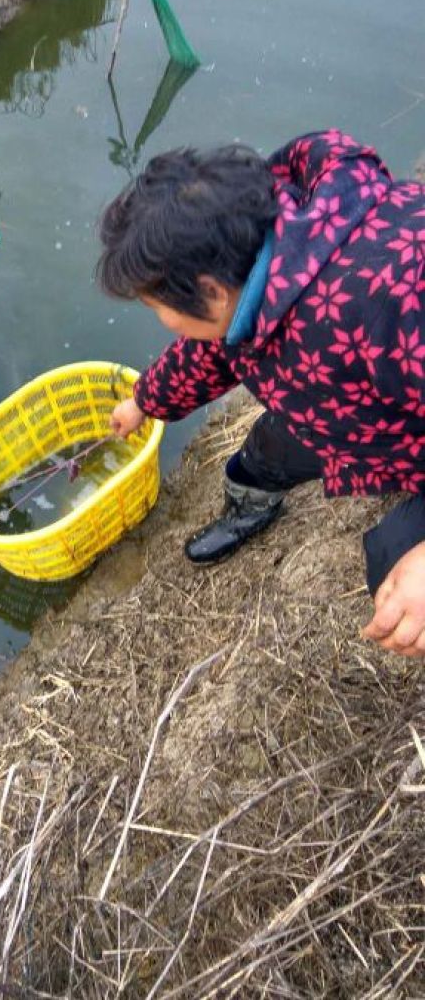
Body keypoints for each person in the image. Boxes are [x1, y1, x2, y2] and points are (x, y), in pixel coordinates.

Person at [98, 129, 425, 659]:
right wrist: (143, 401)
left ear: (209, 290)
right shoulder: (259, 261)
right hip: (347, 408)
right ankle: (251, 506)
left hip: (398, 420)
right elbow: (213, 349)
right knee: (263, 455)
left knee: (392, 568)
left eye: (157, 305)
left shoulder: (385, 303)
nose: (162, 321)